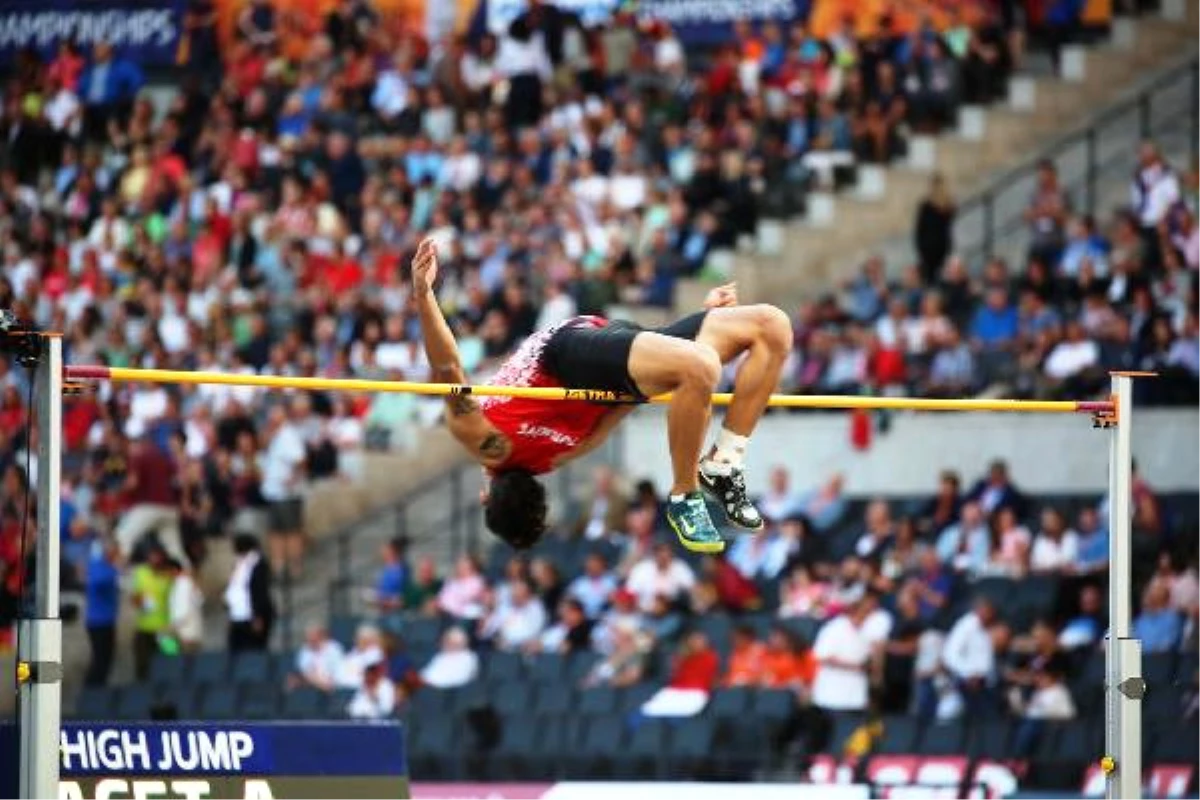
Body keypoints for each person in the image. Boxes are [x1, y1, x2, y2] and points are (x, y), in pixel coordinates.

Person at [410, 237, 793, 553]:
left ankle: (704, 478)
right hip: (608, 354)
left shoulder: (551, 451)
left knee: (706, 363)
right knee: (771, 327)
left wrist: (424, 296)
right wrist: (424, 296)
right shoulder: (512, 446)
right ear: (484, 497)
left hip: (575, 354)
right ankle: (703, 478)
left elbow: (632, 395)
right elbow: (447, 371)